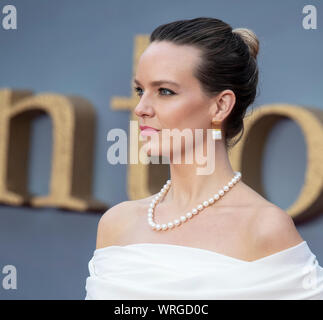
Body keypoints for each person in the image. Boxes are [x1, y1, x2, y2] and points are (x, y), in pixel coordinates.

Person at [85, 17, 323, 299]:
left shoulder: (264, 228)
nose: (141, 108)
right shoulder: (117, 223)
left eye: (164, 91)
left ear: (221, 105)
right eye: (140, 90)